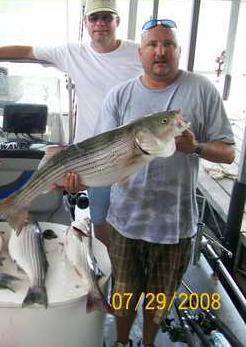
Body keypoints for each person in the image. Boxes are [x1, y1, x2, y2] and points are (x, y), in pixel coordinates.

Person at [0, 0, 142, 243]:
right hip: (91, 157)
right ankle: (108, 265)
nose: (100, 24)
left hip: (133, 148)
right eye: (94, 18)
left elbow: (163, 78)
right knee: (100, 218)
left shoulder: (139, 53)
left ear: (117, 21)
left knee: (135, 220)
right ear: (86, 23)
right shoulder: (72, 53)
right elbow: (26, 52)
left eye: (106, 18)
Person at [94, 20, 235, 347]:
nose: (161, 52)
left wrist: (196, 147)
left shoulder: (201, 90)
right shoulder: (120, 95)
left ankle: (147, 343)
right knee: (125, 292)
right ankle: (122, 341)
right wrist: (76, 180)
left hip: (175, 223)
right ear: (140, 52)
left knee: (160, 298)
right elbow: (102, 153)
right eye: (152, 45)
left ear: (178, 51)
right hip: (125, 220)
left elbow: (228, 152)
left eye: (168, 44)